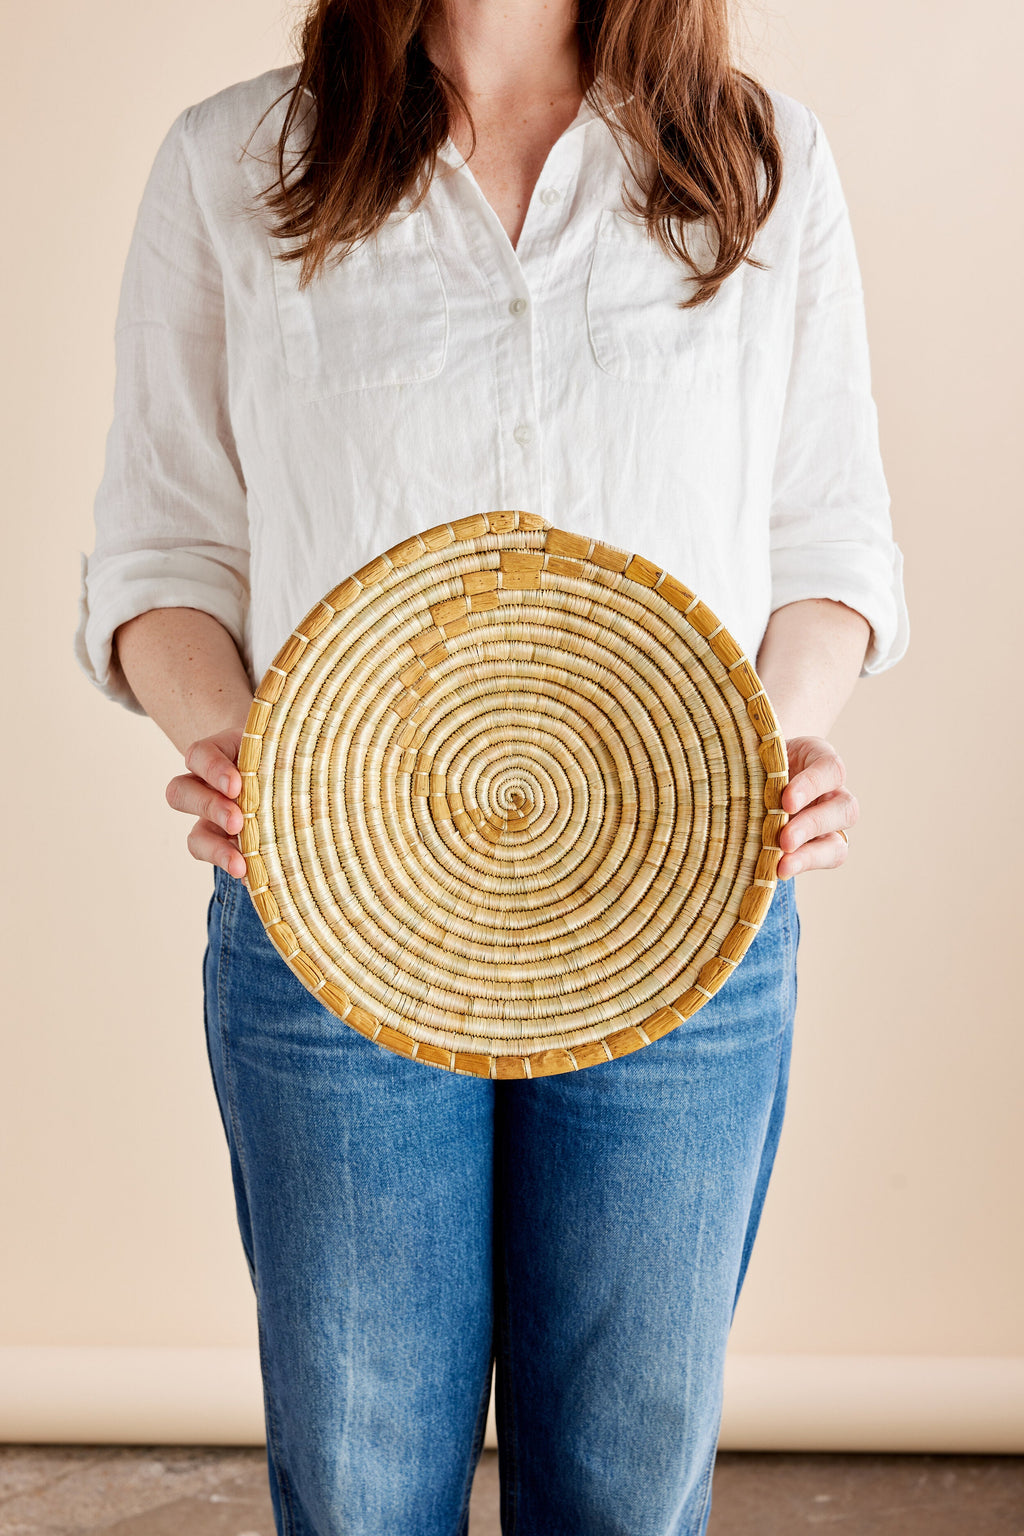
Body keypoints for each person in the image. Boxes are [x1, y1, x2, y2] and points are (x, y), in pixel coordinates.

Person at [74, 0, 910, 1528]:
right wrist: (230, 732)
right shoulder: (233, 163)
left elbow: (828, 537)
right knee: (360, 1473)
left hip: (690, 912)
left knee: (629, 1484)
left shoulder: (763, 162)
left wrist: (779, 739)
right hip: (331, 913)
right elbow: (163, 548)